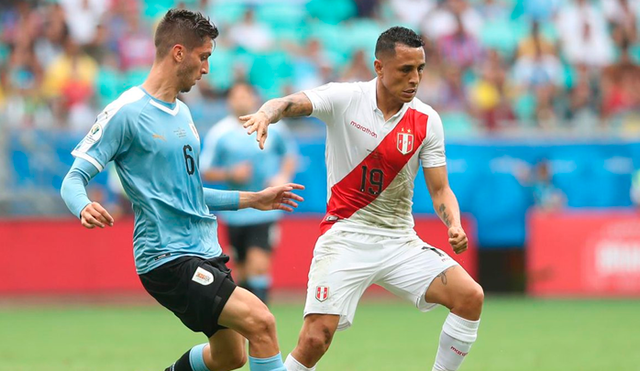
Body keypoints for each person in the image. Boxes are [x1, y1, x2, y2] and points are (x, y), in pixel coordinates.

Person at [59, 9, 302, 371]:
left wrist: (255, 199)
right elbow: (73, 179)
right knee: (262, 322)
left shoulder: (183, 114)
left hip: (205, 251)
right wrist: (82, 206)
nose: (206, 69)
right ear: (178, 53)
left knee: (229, 357)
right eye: (203, 57)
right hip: (167, 256)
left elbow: (189, 194)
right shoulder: (126, 112)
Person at [241, 26, 484, 371]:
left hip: (400, 241)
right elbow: (290, 102)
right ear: (379, 67)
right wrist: (267, 113)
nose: (415, 79)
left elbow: (440, 189)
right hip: (345, 236)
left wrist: (454, 223)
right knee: (315, 338)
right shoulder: (345, 98)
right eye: (405, 69)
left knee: (470, 297)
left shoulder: (427, 121)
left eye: (420, 69)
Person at [200, 81, 299, 305]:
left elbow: (289, 156)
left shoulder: (274, 127)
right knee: (242, 271)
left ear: (254, 98)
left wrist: (282, 177)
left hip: (266, 211)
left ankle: (262, 320)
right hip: (236, 211)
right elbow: (205, 170)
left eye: (245, 95)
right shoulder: (220, 133)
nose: (241, 100)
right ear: (229, 102)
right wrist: (230, 173)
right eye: (236, 96)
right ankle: (248, 322)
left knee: (258, 265)